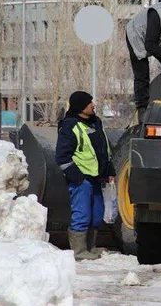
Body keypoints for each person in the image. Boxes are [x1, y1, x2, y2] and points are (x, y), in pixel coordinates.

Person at [55, 91, 115, 260]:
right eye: (90, 102)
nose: (93, 105)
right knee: (82, 213)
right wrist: (78, 178)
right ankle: (79, 251)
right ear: (81, 106)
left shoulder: (96, 123)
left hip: (97, 177)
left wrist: (109, 170)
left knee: (97, 213)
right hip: (82, 178)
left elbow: (104, 150)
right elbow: (61, 157)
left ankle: (90, 247)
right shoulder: (70, 126)